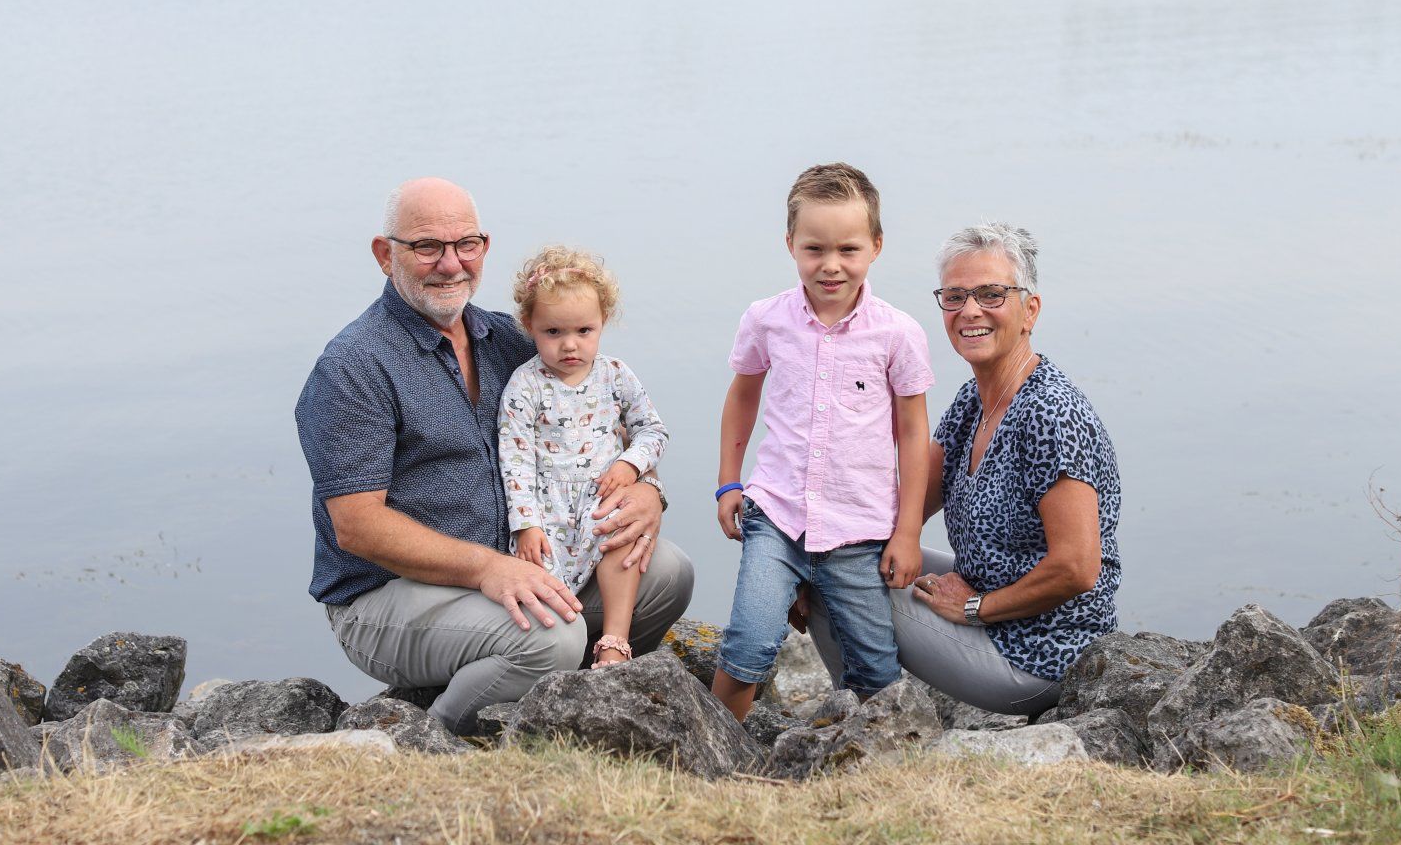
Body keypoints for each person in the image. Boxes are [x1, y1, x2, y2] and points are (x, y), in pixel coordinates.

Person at [295, 178, 693, 734]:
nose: (451, 263)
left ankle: (564, 709)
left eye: (467, 244)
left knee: (669, 573)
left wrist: (647, 489)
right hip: (384, 596)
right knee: (551, 636)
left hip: (524, 565)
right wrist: (488, 568)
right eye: (427, 246)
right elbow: (357, 527)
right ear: (385, 255)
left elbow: (608, 427)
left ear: (485, 247)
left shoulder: (510, 341)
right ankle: (430, 741)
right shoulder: (352, 367)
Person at [806, 221, 1120, 715]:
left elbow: (1078, 569)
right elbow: (906, 505)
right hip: (993, 604)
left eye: (991, 294)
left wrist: (974, 608)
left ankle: (872, 725)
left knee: (836, 584)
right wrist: (798, 546)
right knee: (831, 559)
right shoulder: (973, 401)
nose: (970, 311)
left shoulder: (1051, 414)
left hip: (1042, 653)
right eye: (954, 297)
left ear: (1030, 310)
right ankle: (865, 712)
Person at [709, 163, 936, 719]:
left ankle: (879, 756)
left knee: (876, 670)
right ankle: (710, 752)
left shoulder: (898, 333)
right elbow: (742, 398)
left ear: (876, 245)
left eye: (848, 249)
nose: (831, 265)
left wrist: (907, 532)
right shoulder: (766, 320)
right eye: (814, 248)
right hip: (777, 517)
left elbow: (913, 434)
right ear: (790, 243)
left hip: (859, 530)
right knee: (749, 644)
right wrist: (728, 483)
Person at [499, 246, 668, 667]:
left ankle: (614, 640)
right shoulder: (525, 386)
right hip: (548, 506)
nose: (569, 344)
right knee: (541, 570)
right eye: (553, 332)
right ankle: (556, 655)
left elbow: (652, 429)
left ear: (602, 321)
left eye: (584, 330)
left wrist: (630, 464)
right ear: (530, 326)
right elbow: (515, 459)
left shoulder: (615, 375)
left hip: (601, 494)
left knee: (620, 539)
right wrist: (526, 524)